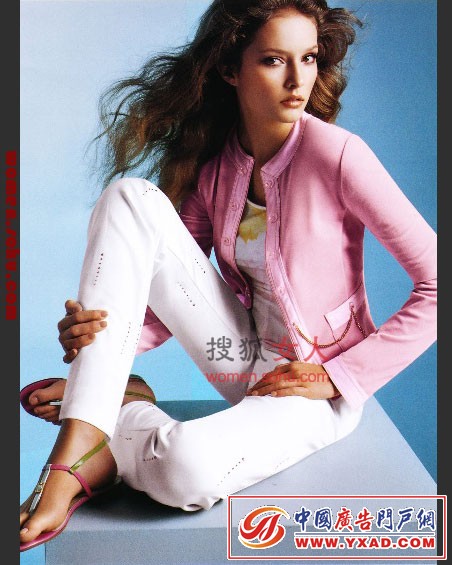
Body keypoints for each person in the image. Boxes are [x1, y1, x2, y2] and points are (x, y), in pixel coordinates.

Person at [19, 0, 437, 552]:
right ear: (229, 69)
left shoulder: (338, 155)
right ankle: (80, 440)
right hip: (241, 355)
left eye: (309, 58)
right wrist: (100, 340)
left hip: (312, 386)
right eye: (273, 60)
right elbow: (170, 287)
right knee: (129, 198)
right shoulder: (219, 166)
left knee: (184, 468)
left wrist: (340, 377)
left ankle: (112, 414)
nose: (298, 80)